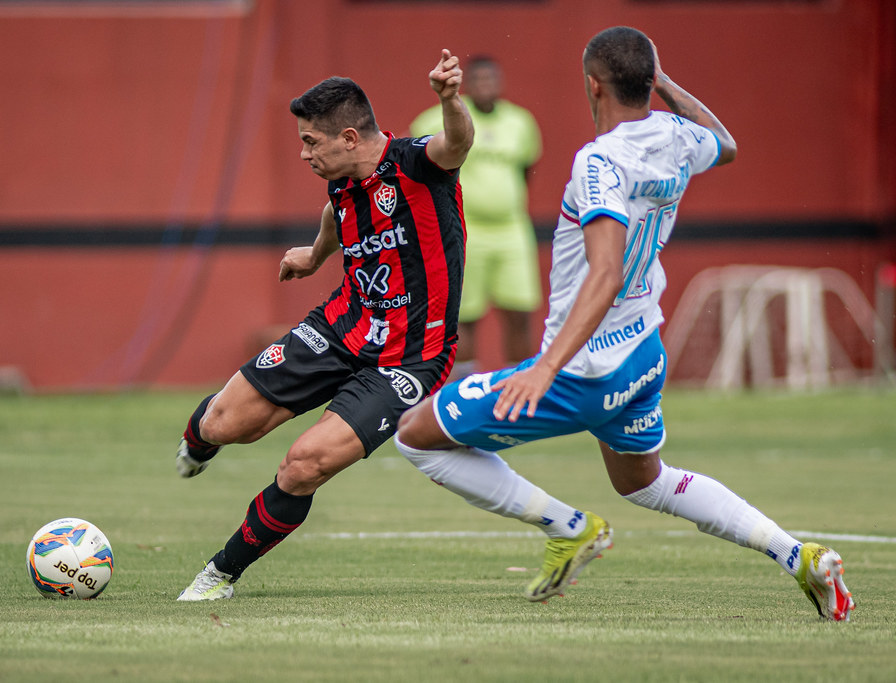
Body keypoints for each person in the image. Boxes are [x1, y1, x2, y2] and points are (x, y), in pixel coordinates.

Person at [394, 27, 855, 621]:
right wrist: (663, 84)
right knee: (644, 482)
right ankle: (800, 555)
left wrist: (545, 370)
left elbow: (605, 272)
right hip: (642, 353)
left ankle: (569, 528)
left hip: (584, 368)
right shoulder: (675, 135)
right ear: (648, 83)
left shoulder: (599, 161)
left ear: (593, 84)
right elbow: (727, 143)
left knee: (415, 433)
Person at [174, 50, 474, 601]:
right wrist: (315, 256)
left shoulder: (416, 165)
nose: (303, 152)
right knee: (223, 421)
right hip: (340, 327)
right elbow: (338, 213)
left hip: (407, 358)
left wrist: (449, 99)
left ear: (351, 138)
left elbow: (457, 142)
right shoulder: (340, 178)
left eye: (312, 141)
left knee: (303, 465)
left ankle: (219, 573)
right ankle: (197, 444)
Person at [410, 56, 543, 380]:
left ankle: (520, 385)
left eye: (491, 80)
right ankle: (463, 389)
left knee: (520, 311)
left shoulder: (521, 122)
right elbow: (414, 162)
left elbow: (525, 171)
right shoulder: (438, 119)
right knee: (462, 314)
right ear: (468, 84)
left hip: (512, 230)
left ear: (500, 83)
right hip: (463, 229)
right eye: (479, 80)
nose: (486, 86)